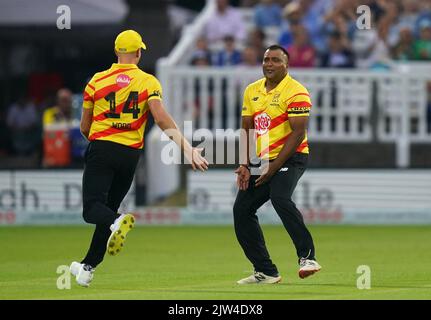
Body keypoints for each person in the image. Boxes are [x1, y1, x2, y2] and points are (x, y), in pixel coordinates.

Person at [69, 30, 208, 287]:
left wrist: (101, 137)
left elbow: (85, 127)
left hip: (102, 149)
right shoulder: (148, 82)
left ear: (116, 52)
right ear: (139, 53)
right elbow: (161, 118)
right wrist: (187, 149)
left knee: (93, 210)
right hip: (130, 155)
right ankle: (87, 267)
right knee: (106, 213)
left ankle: (116, 220)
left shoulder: (96, 82)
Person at [234, 45, 321, 284]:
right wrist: (244, 164)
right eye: (266, 60)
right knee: (241, 210)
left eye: (275, 60)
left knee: (280, 197)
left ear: (286, 65)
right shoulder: (252, 90)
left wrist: (272, 169)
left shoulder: (296, 91)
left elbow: (298, 133)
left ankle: (308, 257)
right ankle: (266, 271)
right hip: (262, 160)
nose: (269, 64)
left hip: (291, 156)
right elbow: (246, 129)